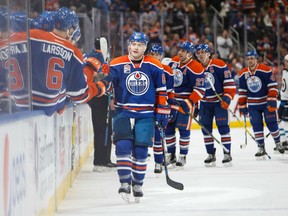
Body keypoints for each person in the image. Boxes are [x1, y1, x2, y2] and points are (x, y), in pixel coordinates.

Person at [109, 32, 170, 202]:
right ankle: (124, 182)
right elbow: (108, 85)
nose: (136, 47)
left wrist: (162, 112)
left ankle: (137, 184)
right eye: (133, 44)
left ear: (145, 47)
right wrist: (105, 82)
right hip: (122, 111)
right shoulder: (116, 63)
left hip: (146, 113)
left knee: (141, 150)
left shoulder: (154, 65)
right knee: (122, 146)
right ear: (129, 45)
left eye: (140, 44)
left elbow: (161, 91)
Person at [28, 7, 111, 116]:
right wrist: (99, 82)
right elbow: (79, 94)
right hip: (40, 111)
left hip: (23, 108)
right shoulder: (69, 51)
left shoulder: (31, 39)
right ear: (69, 31)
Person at [195, 43, 237, 166]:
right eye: (199, 53)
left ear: (208, 54)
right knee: (205, 129)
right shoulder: (196, 68)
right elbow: (194, 88)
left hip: (219, 102)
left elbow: (229, 83)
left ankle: (227, 153)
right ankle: (210, 154)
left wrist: (227, 98)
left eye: (203, 52)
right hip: (204, 103)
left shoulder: (218, 64)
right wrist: (195, 105)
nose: (201, 55)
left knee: (223, 127)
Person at [165, 41, 206, 167]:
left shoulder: (197, 67)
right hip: (171, 100)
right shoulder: (173, 62)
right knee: (169, 129)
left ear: (189, 54)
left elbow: (200, 90)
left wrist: (189, 102)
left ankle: (182, 155)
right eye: (179, 50)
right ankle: (170, 154)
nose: (180, 53)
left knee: (183, 129)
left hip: (186, 102)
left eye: (183, 51)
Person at [238, 50, 285, 157]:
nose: (250, 61)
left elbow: (272, 86)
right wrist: (242, 105)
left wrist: (272, 100)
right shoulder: (243, 74)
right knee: (256, 125)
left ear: (256, 59)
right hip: (253, 105)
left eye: (252, 58)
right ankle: (261, 147)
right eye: (248, 59)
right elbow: (242, 90)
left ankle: (278, 143)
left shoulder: (265, 70)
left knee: (271, 122)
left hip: (266, 102)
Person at [88, 37, 116, 172]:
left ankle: (105, 159)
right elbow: (94, 77)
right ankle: (99, 160)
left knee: (107, 129)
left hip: (104, 97)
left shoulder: (104, 57)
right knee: (101, 129)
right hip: (98, 98)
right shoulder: (94, 57)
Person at [146, 43, 175, 174]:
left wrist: (171, 108)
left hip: (160, 106)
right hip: (145, 106)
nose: (155, 57)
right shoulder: (144, 67)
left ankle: (158, 162)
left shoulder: (167, 70)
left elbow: (170, 92)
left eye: (157, 54)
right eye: (153, 54)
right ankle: (137, 159)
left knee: (158, 135)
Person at [277, 54, 288, 151]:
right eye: (285, 61)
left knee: (285, 123)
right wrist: (280, 93)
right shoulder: (285, 72)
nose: (286, 63)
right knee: (279, 121)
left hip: (287, 101)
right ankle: (284, 142)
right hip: (283, 101)